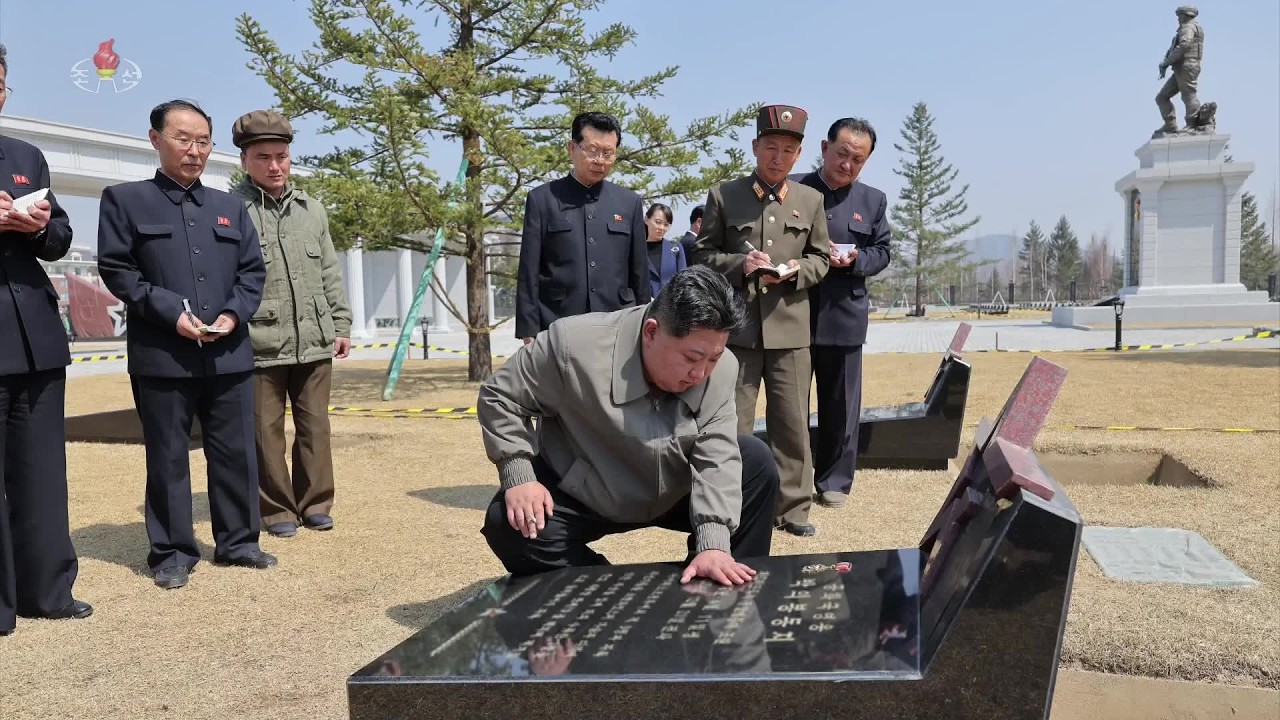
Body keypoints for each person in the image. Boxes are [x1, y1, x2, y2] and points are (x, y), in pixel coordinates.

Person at [479, 266, 779, 586]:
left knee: (755, 464)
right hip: (588, 489)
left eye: (713, 358)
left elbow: (717, 457)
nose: (701, 373)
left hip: (675, 489)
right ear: (651, 332)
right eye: (692, 358)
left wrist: (715, 543)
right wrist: (519, 474)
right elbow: (501, 396)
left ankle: (721, 578)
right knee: (508, 523)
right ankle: (607, 585)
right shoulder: (573, 345)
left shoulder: (721, 370)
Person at [97, 100, 274, 590]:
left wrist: (232, 313)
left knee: (236, 450)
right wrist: (171, 313)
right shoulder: (124, 200)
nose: (194, 151)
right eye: (183, 139)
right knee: (168, 455)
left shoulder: (229, 207)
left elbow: (252, 273)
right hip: (162, 354)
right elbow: (118, 270)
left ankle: (239, 541)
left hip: (228, 351)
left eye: (203, 141)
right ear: (155, 139)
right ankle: (173, 551)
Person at [690, 104, 830, 538]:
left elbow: (821, 257)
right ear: (755, 147)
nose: (777, 157)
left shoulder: (811, 200)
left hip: (790, 331)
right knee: (733, 427)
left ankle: (793, 511)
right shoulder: (724, 195)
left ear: (799, 154)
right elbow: (702, 255)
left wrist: (796, 271)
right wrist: (740, 264)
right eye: (770, 147)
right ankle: (732, 510)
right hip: (738, 331)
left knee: (792, 425)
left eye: (788, 150)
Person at [0, 43, 92, 636]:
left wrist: (38, 225)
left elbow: (60, 233)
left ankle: (47, 591)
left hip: (32, 329)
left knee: (40, 471)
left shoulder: (25, 155)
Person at [231, 110, 352, 539]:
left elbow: (330, 273)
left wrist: (341, 323)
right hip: (258, 340)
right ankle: (277, 508)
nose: (275, 165)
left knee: (315, 425)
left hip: (314, 336)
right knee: (265, 431)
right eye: (263, 157)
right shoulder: (232, 211)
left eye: (282, 155)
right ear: (245, 160)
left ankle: (316, 502)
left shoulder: (311, 210)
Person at [792, 118, 892, 509]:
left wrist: (854, 258)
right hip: (795, 311)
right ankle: (793, 481)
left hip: (844, 315)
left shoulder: (873, 200)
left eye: (858, 159)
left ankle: (834, 481)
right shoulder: (794, 188)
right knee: (791, 406)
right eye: (842, 154)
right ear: (824, 147)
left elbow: (882, 251)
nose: (848, 164)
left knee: (842, 406)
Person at [514, 112, 650, 344]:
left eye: (608, 153)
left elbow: (639, 273)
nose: (600, 160)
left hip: (617, 323)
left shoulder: (629, 203)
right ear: (572, 148)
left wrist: (645, 323)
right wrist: (529, 329)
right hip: (557, 323)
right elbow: (529, 271)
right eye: (592, 150)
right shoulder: (542, 199)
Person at [1155, 6, 1204, 135]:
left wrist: (1166, 62)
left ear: (1186, 15)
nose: (1178, 18)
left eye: (1179, 15)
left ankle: (1193, 124)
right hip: (1181, 67)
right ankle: (1170, 125)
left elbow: (1184, 45)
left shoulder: (1188, 27)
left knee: (1188, 94)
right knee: (1162, 97)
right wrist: (1167, 62)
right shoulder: (1187, 27)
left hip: (1187, 65)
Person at [644, 202, 686, 296]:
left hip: (671, 306)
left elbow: (683, 281)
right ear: (646, 219)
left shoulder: (676, 248)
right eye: (658, 222)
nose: (661, 228)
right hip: (644, 306)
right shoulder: (637, 249)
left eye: (666, 224)